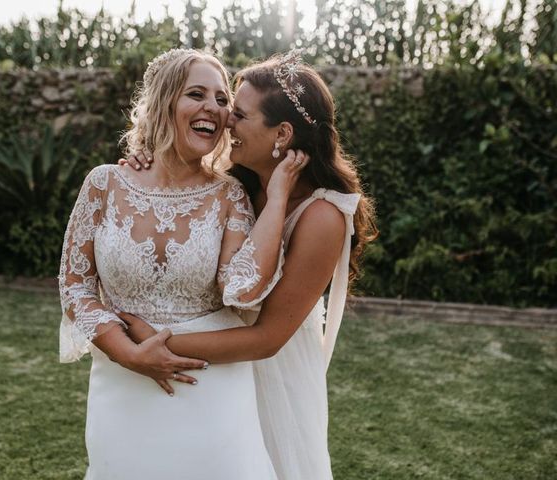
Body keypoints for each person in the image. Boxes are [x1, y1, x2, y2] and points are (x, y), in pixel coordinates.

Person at [119, 50, 377, 480]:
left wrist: (158, 343)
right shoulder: (234, 186)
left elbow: (267, 338)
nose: (225, 121)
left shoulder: (321, 216)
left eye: (239, 114)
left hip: (269, 377)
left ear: (282, 134)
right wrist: (143, 164)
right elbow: (173, 185)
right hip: (211, 366)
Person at [58, 48, 309, 479]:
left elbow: (242, 289)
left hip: (212, 393)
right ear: (163, 102)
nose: (213, 106)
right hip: (122, 388)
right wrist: (130, 355)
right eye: (196, 94)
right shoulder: (105, 183)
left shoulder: (230, 196)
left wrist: (281, 193)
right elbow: (75, 287)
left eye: (222, 99)